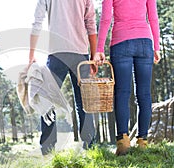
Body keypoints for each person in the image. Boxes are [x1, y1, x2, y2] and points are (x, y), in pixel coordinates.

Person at [29, 0, 98, 155]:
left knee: (48, 101)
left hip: (56, 54)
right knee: (84, 102)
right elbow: (91, 23)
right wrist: (93, 56)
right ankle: (90, 147)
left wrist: (31, 54)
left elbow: (37, 21)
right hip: (80, 54)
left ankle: (47, 149)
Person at [94, 0, 161, 156]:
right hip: (145, 42)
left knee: (122, 93)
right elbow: (153, 17)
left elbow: (106, 18)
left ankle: (123, 142)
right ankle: (142, 141)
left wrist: (99, 49)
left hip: (121, 42)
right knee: (144, 94)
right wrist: (156, 46)